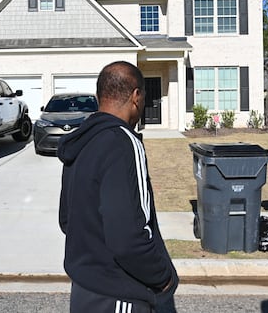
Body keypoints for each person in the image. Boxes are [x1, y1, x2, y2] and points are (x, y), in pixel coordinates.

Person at [58, 61, 179, 313]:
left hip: (83, 291)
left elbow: (67, 220)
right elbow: (130, 238)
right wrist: (164, 278)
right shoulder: (124, 143)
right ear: (136, 96)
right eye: (144, 97)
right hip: (119, 293)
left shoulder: (81, 141)